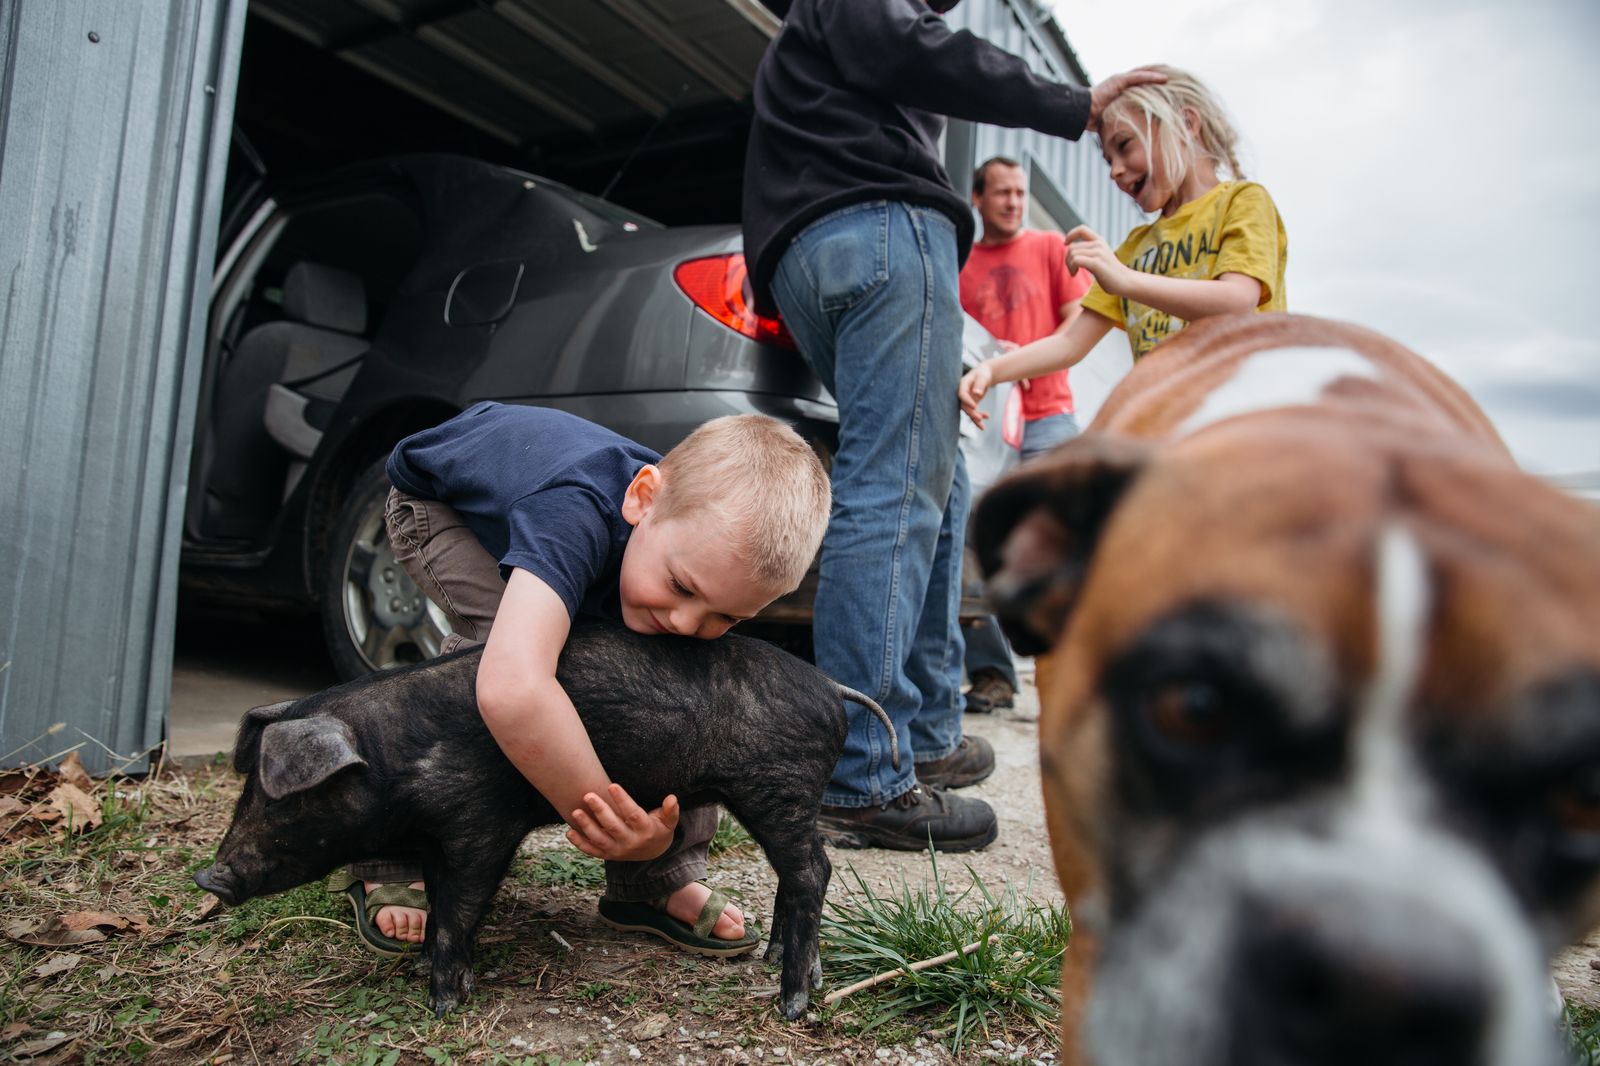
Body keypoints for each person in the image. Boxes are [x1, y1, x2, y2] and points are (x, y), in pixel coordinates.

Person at [741, 0, 1163, 852]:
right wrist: (1077, 105)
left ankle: (925, 733)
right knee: (894, 485)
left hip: (812, 251)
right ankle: (865, 773)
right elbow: (911, 43)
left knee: (940, 478)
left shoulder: (808, 43)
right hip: (881, 231)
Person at [328, 402, 832, 956]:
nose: (688, 622)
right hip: (446, 509)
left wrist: (650, 840)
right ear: (643, 499)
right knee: (487, 661)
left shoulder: (671, 547)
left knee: (680, 688)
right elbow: (512, 687)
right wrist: (608, 815)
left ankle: (653, 882)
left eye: (727, 617)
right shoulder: (571, 513)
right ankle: (392, 853)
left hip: (564, 520)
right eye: (682, 587)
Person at [959, 65, 1288, 425]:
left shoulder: (1243, 201)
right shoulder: (1136, 247)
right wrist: (991, 370)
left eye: (1124, 146)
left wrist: (1125, 280)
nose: (1114, 170)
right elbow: (1070, 344)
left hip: (1245, 420)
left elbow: (1237, 302)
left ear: (1187, 124)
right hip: (1168, 430)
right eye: (1108, 160)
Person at [957, 155, 1094, 715]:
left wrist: (1026, 358)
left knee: (1058, 540)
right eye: (1003, 193)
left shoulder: (1048, 248)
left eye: (1020, 192)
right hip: (987, 424)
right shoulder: (962, 266)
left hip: (1048, 416)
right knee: (978, 542)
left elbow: (1080, 318)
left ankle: (1071, 672)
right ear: (978, 199)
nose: (1014, 201)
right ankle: (992, 673)